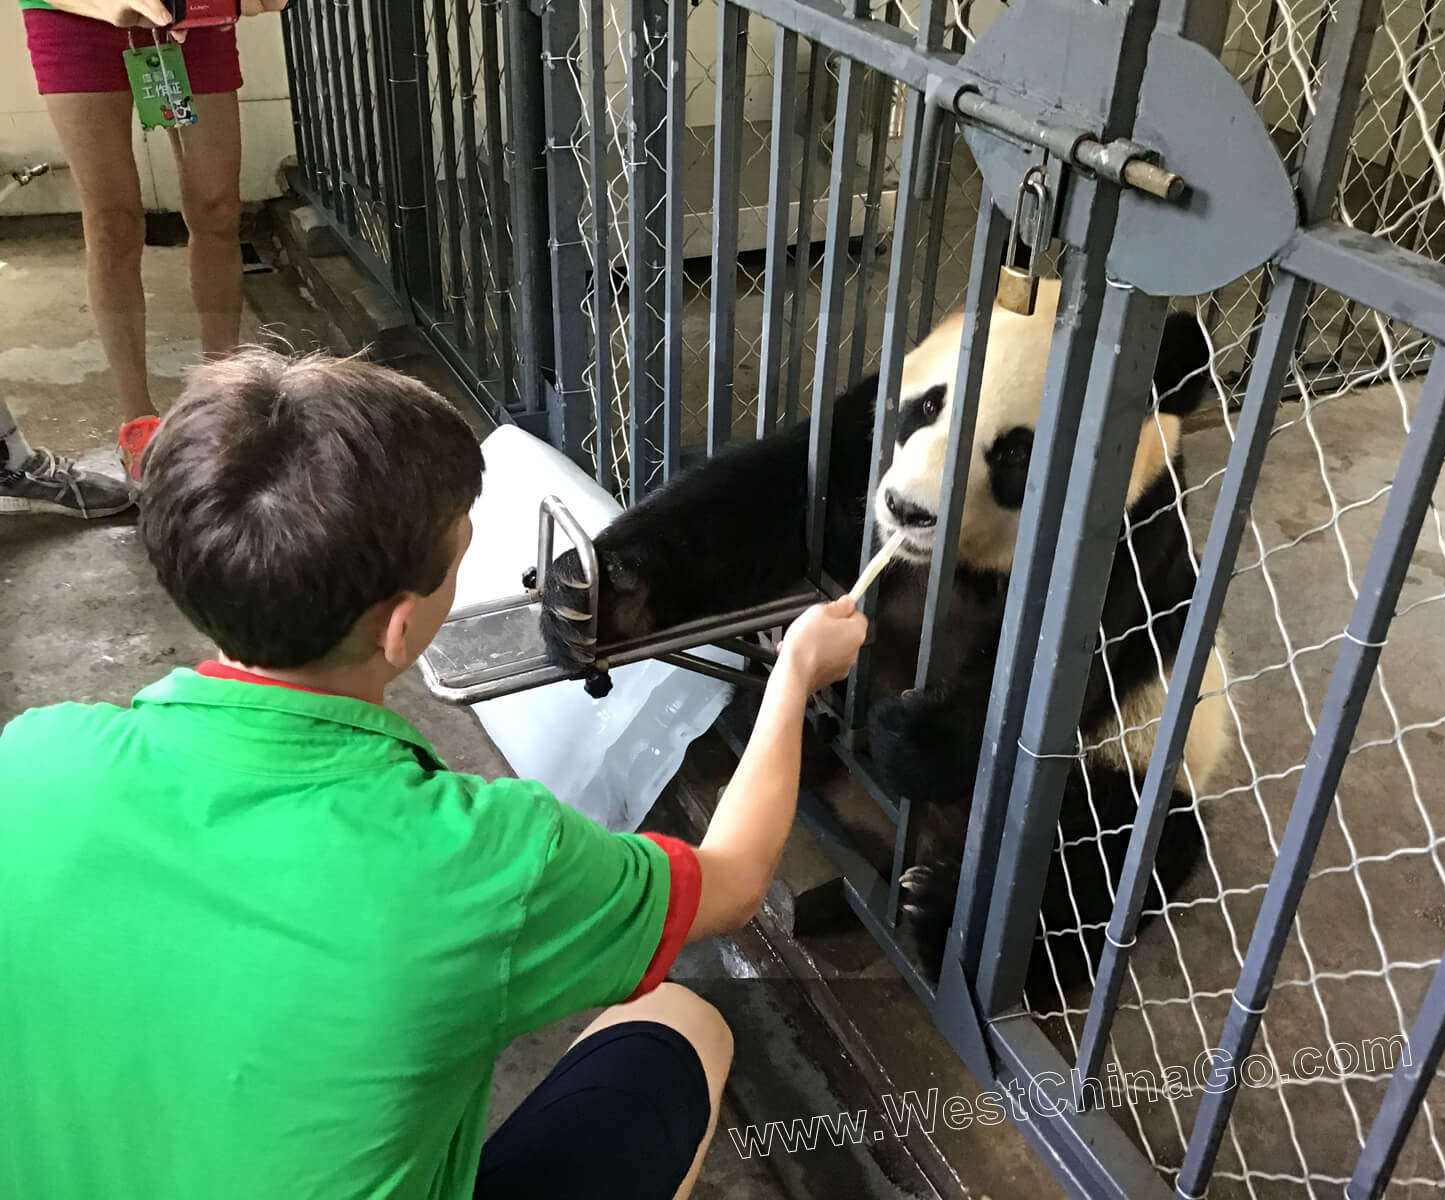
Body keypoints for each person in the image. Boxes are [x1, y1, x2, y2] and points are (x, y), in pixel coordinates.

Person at [0, 348, 869, 1199]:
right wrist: (792, 674)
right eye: (460, 557)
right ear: (399, 627)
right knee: (680, 1025)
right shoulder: (479, 857)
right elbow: (735, 881)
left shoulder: (32, 759)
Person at [2, 0, 286, 519]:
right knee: (112, 223)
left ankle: (221, 398)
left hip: (192, 23)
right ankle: (137, 419)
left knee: (217, 208)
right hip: (72, 20)